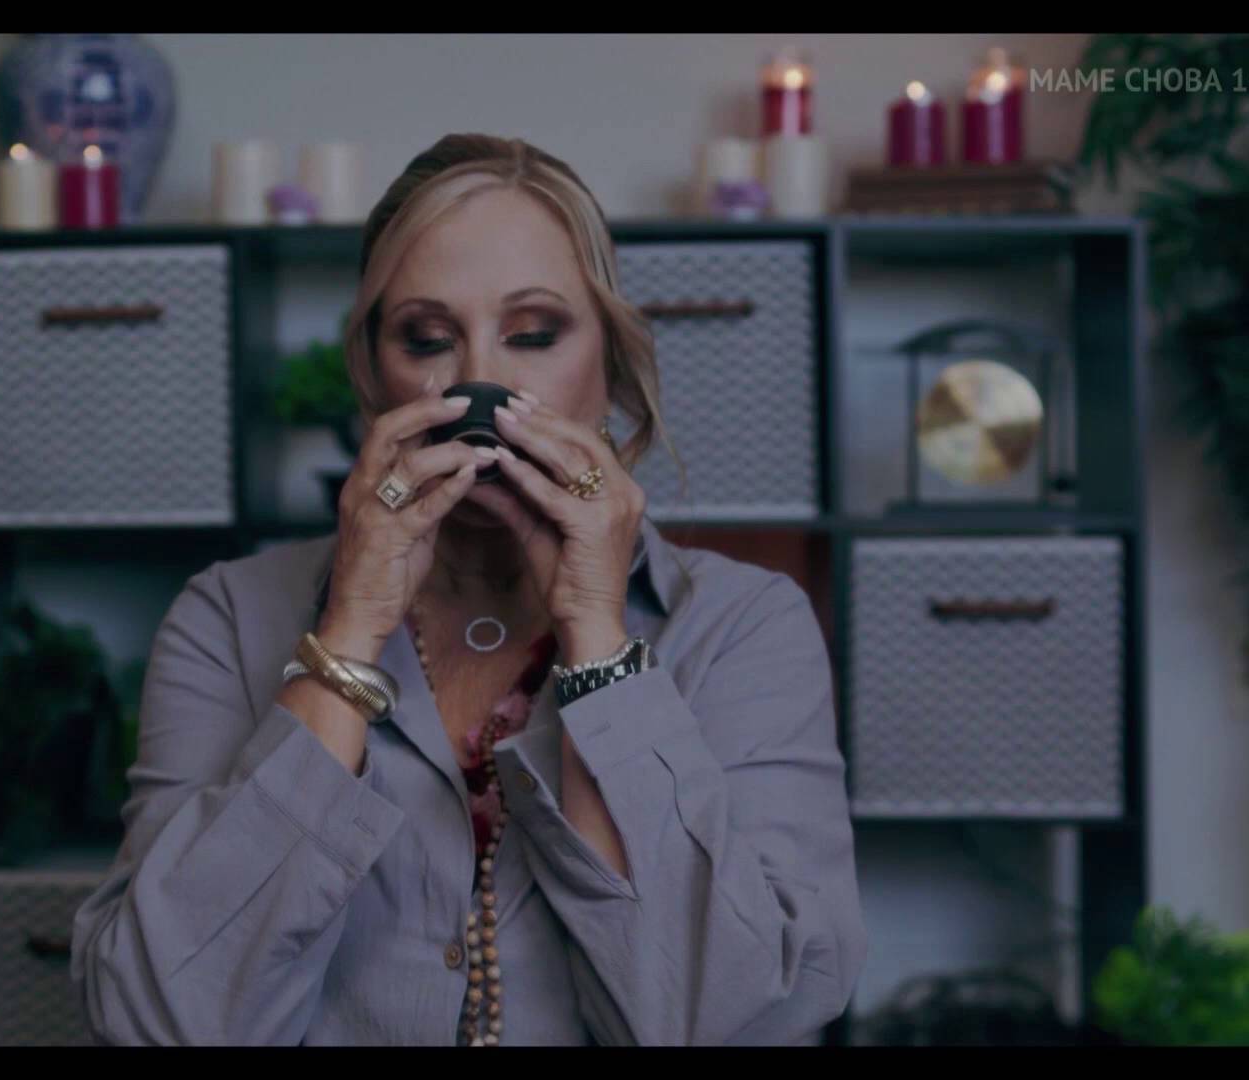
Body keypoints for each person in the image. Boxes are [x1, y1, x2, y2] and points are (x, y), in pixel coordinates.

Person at [70, 133, 866, 1046]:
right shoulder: (227, 618)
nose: (481, 383)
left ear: (608, 364)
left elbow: (734, 1018)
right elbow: (159, 1020)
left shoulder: (742, 627)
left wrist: (597, 639)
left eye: (534, 334)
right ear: (373, 374)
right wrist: (350, 631)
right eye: (426, 339)